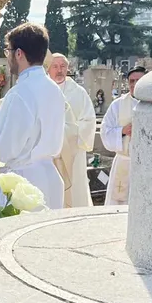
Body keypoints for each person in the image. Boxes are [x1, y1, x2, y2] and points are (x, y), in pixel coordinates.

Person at [0, 23, 65, 210]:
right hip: (49, 178)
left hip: (21, 185)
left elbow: (3, 150)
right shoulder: (54, 89)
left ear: (19, 53)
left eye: (8, 51)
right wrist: (0, 115)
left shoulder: (20, 93)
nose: (8, 57)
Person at [48, 54, 97, 207]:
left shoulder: (78, 92)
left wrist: (67, 134)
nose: (59, 70)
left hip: (73, 151)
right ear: (48, 69)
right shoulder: (44, 90)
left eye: (62, 66)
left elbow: (89, 121)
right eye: (55, 66)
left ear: (68, 68)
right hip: (50, 152)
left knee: (75, 192)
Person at [100, 67, 145, 206]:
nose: (134, 84)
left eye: (139, 80)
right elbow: (105, 131)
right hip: (124, 162)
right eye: (132, 81)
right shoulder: (118, 105)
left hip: (146, 165)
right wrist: (122, 131)